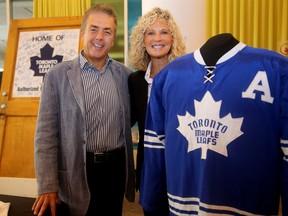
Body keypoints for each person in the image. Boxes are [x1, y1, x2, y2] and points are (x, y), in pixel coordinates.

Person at [140, 33, 288, 215]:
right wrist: (151, 201)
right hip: (183, 206)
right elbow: (155, 146)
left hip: (249, 205)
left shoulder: (277, 69)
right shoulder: (167, 76)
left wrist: (151, 201)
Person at [32, 4, 135, 216]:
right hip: (77, 169)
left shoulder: (125, 75)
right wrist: (48, 185)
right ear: (82, 33)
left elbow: (129, 119)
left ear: (113, 38)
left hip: (115, 169)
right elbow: (45, 136)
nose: (99, 37)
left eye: (107, 31)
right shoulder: (57, 76)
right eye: (94, 29)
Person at [128, 7, 186, 216]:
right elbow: (127, 120)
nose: (157, 38)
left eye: (164, 32)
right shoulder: (135, 81)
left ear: (173, 38)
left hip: (181, 167)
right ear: (142, 41)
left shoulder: (186, 77)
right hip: (149, 168)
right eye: (150, 33)